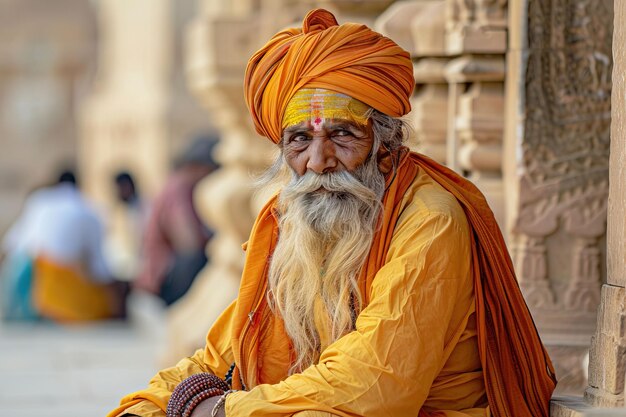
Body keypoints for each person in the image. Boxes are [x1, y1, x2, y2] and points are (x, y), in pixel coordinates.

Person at [110, 9, 556, 417]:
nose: (319, 162)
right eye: (299, 140)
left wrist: (224, 410)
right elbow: (224, 352)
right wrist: (152, 404)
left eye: (342, 135)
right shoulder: (291, 219)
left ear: (386, 142)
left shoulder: (430, 220)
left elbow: (375, 384)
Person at [2, 170, 127, 321]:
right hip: (51, 287)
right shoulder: (88, 209)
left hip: (23, 285)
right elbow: (99, 268)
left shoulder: (38, 202)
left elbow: (10, 245)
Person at [133, 136, 219, 306]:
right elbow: (188, 242)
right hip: (163, 280)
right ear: (199, 167)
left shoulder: (182, 185)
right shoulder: (180, 187)